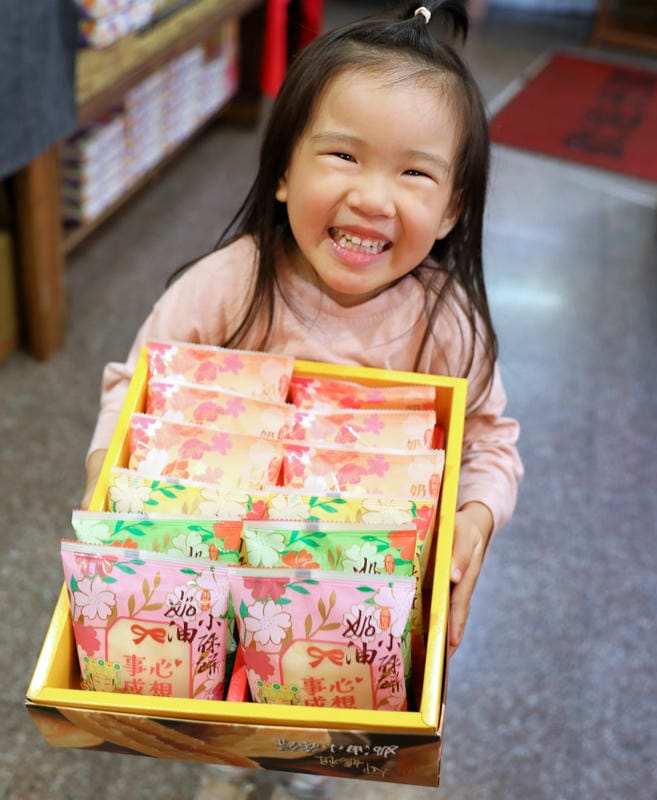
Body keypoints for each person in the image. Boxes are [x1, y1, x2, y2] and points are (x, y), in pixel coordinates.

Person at [83, 0, 523, 796]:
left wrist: (475, 517)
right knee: (225, 722)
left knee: (320, 730)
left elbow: (491, 438)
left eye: (415, 172)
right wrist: (105, 483)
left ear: (454, 207)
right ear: (284, 171)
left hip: (356, 595)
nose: (373, 198)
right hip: (216, 573)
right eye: (344, 156)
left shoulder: (447, 323)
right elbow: (136, 387)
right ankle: (231, 760)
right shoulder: (231, 286)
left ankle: (305, 770)